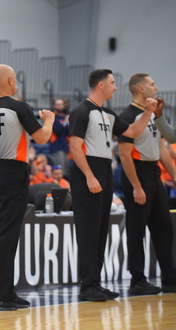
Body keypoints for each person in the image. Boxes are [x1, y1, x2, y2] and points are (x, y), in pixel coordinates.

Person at [68, 69, 156, 302]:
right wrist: (89, 175)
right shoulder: (81, 111)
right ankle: (87, 285)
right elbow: (75, 148)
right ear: (100, 86)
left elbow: (133, 131)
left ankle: (94, 283)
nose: (115, 87)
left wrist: (148, 112)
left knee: (100, 229)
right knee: (88, 230)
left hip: (104, 169)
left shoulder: (107, 113)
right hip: (88, 170)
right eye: (112, 83)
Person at [0, 64, 54, 311]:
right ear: (9, 81)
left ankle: (6, 292)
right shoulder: (19, 107)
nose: (16, 81)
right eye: (15, 78)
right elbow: (42, 138)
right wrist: (49, 120)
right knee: (8, 234)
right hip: (14, 171)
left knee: (1, 233)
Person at [118, 73, 176, 295]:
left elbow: (162, 148)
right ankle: (137, 280)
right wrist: (136, 186)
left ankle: (170, 278)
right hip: (137, 171)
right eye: (153, 84)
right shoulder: (127, 115)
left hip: (153, 172)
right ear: (141, 89)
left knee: (164, 227)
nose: (156, 87)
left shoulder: (153, 114)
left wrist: (173, 175)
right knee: (137, 229)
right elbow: (124, 155)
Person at [49, 99, 70, 176]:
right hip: (56, 147)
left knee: (66, 170)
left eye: (61, 104)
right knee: (59, 170)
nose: (59, 106)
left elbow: (68, 132)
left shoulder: (65, 116)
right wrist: (64, 123)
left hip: (64, 147)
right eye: (57, 104)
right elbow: (57, 130)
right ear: (54, 105)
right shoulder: (52, 116)